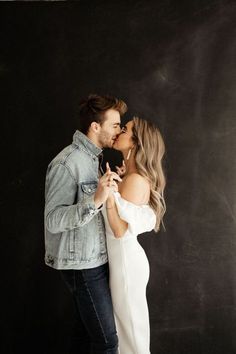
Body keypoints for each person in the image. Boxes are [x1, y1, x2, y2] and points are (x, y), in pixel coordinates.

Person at [44, 94, 127, 354]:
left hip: (96, 260)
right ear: (95, 126)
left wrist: (113, 186)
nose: (119, 130)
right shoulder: (67, 163)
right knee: (107, 342)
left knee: (85, 336)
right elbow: (52, 220)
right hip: (82, 266)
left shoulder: (95, 159)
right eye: (115, 125)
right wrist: (95, 200)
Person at [101, 117, 166, 354]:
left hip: (126, 265)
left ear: (135, 143)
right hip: (121, 263)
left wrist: (108, 197)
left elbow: (119, 230)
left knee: (133, 339)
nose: (119, 131)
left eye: (125, 129)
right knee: (125, 336)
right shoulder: (130, 177)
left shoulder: (136, 180)